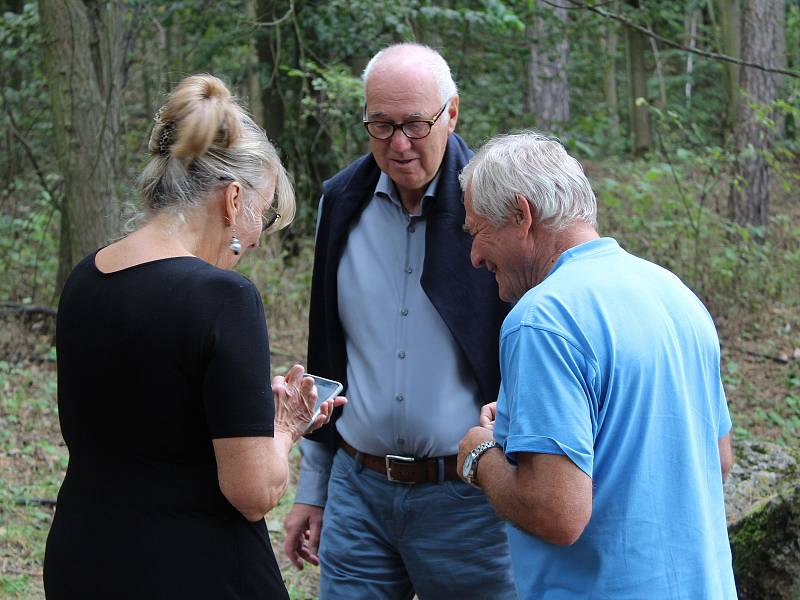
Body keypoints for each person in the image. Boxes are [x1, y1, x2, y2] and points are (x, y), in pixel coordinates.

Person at [43, 74, 344, 599]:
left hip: (83, 557)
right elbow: (252, 492)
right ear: (232, 200)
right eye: (262, 213)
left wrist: (242, 410)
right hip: (191, 570)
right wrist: (286, 426)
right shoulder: (224, 298)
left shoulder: (85, 279)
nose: (254, 237)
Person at [456, 132, 737, 599]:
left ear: (522, 216)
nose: (475, 255)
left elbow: (556, 513)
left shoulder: (541, 320)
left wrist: (480, 455)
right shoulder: (674, 293)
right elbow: (718, 459)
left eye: (477, 231)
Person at [282, 44, 516, 599]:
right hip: (357, 492)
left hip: (468, 501)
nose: (399, 144)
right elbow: (325, 351)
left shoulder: (497, 209)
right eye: (380, 125)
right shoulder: (340, 203)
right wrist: (313, 489)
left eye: (415, 123)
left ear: (452, 113)